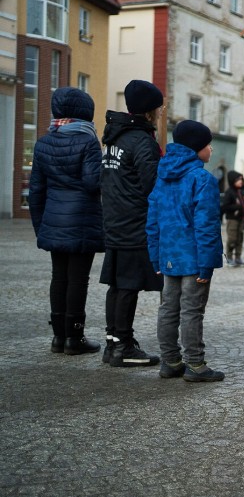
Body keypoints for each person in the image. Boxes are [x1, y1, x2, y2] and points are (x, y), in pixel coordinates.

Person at [147, 120, 225, 381]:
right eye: (207, 145)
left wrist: (155, 256)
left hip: (169, 256)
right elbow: (207, 226)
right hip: (194, 258)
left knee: (168, 308)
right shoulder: (202, 179)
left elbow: (153, 220)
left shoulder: (163, 175)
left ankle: (170, 360)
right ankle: (195, 365)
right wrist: (207, 264)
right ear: (196, 148)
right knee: (192, 310)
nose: (211, 150)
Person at [29, 87, 104, 355]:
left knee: (58, 278)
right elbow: (92, 182)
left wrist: (41, 227)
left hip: (53, 221)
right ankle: (75, 338)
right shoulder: (88, 141)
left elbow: (36, 190)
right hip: (82, 221)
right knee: (78, 280)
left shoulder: (44, 142)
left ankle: (58, 337)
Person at [99, 80, 163, 368]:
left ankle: (113, 341)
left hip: (114, 220)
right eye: (159, 108)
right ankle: (122, 346)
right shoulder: (142, 141)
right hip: (134, 223)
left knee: (117, 285)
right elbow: (152, 185)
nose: (161, 113)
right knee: (127, 286)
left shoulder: (115, 137)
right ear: (150, 111)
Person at [221, 170, 244, 267]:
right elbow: (224, 207)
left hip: (240, 219)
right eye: (238, 180)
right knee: (232, 239)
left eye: (241, 180)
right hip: (232, 220)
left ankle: (238, 258)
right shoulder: (229, 192)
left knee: (239, 239)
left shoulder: (240, 191)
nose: (241, 181)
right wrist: (237, 207)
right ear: (233, 181)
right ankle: (229, 258)